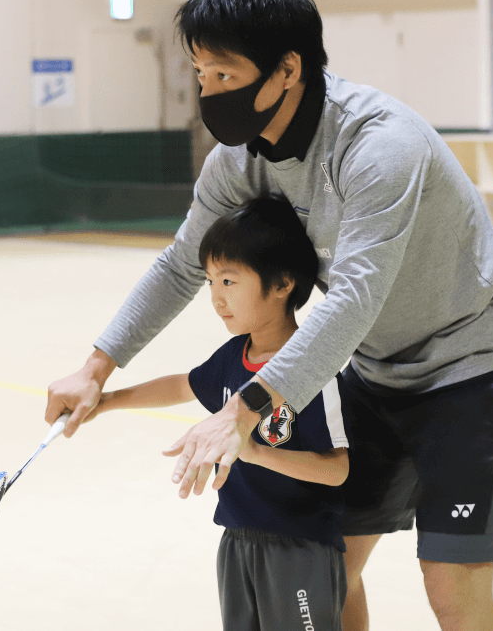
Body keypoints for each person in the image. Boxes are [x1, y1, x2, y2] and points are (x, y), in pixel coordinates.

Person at [44, 0, 493, 629]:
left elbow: (356, 294)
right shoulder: (237, 160)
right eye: (201, 74)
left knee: (451, 587)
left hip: (470, 367)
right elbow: (179, 265)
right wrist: (95, 368)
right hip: (373, 367)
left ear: (287, 70)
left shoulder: (378, 145)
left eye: (225, 74)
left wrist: (243, 410)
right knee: (329, 570)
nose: (209, 92)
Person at [81, 196, 351, 630]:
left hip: (300, 547)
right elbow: (183, 384)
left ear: (282, 284)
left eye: (229, 281)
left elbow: (337, 469)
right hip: (237, 540)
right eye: (209, 282)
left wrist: (259, 453)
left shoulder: (311, 368)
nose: (215, 297)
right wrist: (107, 399)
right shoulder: (232, 357)